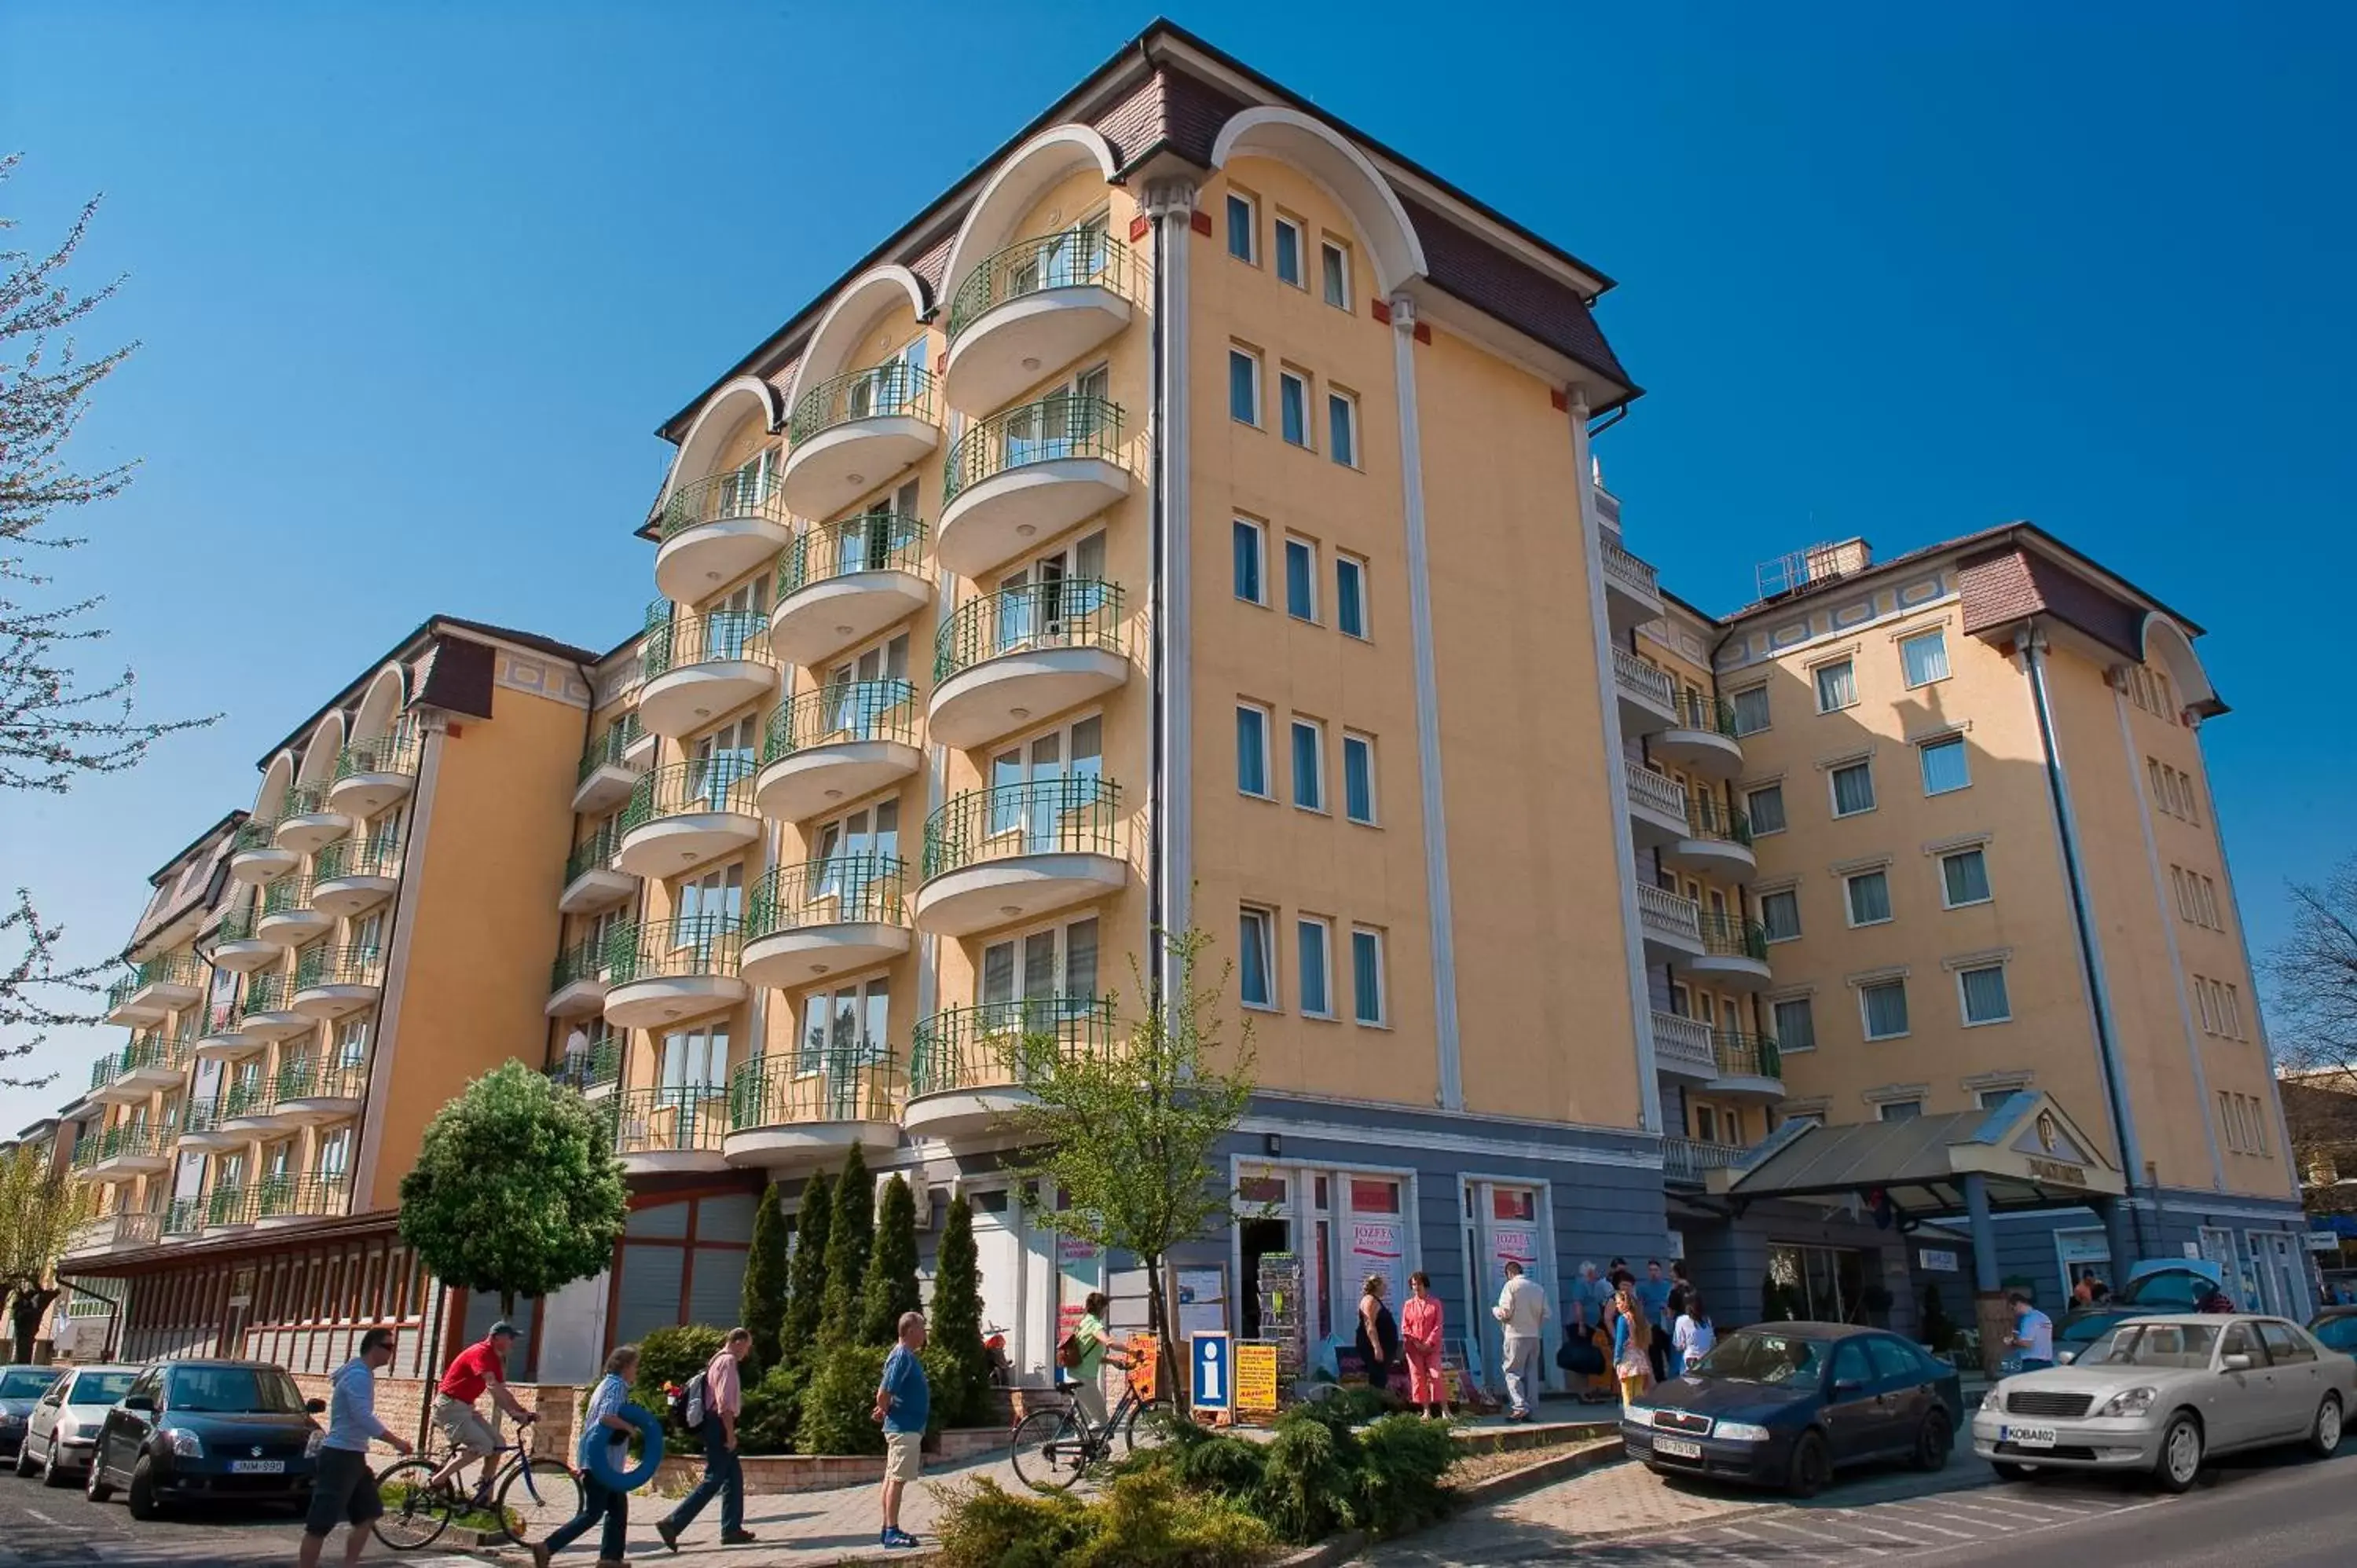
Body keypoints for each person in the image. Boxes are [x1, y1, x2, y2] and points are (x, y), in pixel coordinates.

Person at [299, 1327, 412, 1568]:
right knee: (319, 1525)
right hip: (340, 1456)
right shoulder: (358, 1376)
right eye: (388, 1347)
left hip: (354, 1456)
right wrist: (396, 1441)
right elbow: (363, 1417)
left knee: (369, 1512)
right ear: (374, 1347)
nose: (391, 1353)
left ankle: (350, 1564)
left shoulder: (360, 1372)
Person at [533, 1345, 640, 1568]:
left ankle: (611, 1559)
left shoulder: (604, 1385)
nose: (636, 1371)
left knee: (618, 1509)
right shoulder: (617, 1386)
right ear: (626, 1367)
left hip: (599, 1460)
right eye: (635, 1366)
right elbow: (607, 1417)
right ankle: (547, 1547)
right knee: (593, 1513)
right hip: (603, 1463)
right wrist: (630, 1429)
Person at [654, 1326, 757, 1552]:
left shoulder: (716, 1360)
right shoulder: (728, 1361)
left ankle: (731, 1529)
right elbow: (724, 1404)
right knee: (714, 1479)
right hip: (718, 1424)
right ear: (738, 1342)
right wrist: (730, 1434)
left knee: (734, 1477)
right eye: (747, 1347)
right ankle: (672, 1524)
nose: (746, 1353)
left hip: (713, 1424)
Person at [427, 1320, 536, 1497]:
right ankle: (438, 1480)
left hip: (465, 1407)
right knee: (483, 1444)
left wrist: (522, 1411)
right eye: (510, 1338)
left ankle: (483, 1496)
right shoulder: (481, 1353)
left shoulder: (495, 1359)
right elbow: (492, 1385)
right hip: (450, 1408)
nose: (512, 1342)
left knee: (499, 1443)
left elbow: (502, 1390)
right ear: (497, 1338)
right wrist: (512, 1413)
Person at [872, 1310, 929, 1552]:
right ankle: (892, 1532)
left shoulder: (904, 1356)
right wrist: (883, 1408)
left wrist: (883, 1409)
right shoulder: (902, 1356)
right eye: (923, 1329)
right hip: (904, 1428)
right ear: (910, 1331)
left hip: (905, 1426)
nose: (925, 1334)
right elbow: (884, 1392)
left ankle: (888, 1528)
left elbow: (888, 1395)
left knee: (891, 1478)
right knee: (897, 1480)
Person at [1065, 1291, 1131, 1437]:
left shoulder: (1083, 1322)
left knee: (1083, 1420)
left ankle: (1078, 1455)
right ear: (1100, 1307)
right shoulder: (1094, 1324)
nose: (1106, 1312)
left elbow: (1088, 1356)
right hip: (1084, 1380)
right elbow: (1109, 1342)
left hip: (1072, 1376)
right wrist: (1132, 1350)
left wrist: (1112, 1361)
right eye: (1105, 1308)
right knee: (1101, 1418)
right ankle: (1090, 1448)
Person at [1491, 1260, 1551, 1421]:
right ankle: (1531, 1408)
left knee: (1512, 1371)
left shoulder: (1510, 1286)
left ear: (1509, 1274)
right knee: (1532, 1373)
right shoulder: (1538, 1289)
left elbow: (1505, 1312)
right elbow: (1547, 1314)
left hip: (1515, 1335)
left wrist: (1495, 1311)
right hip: (1534, 1336)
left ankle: (1520, 1407)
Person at [1399, 1272, 1446, 1419]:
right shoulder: (1408, 1305)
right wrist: (1416, 1343)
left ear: (1425, 1284)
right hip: (1414, 1348)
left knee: (1436, 1375)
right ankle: (1426, 1411)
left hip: (1432, 1347)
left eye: (1418, 1284)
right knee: (1418, 1378)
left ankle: (1445, 1409)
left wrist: (1428, 1343)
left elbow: (1438, 1325)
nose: (1416, 1287)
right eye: (1413, 1284)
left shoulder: (1435, 1303)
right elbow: (1405, 1327)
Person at [1610, 1277, 1652, 1408]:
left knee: (1627, 1393)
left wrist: (1616, 1359)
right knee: (1638, 1392)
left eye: (1618, 1303)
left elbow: (1620, 1341)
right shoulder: (1639, 1318)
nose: (1617, 1306)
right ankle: (1639, 1416)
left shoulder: (1623, 1319)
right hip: (1639, 1358)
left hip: (1627, 1359)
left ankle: (1629, 1417)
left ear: (1624, 1303)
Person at [1356, 1274, 1401, 1396]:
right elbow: (1370, 1325)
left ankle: (1379, 1404)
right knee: (1377, 1378)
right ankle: (1377, 1406)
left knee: (1381, 1378)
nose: (1386, 1287)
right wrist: (1377, 1348)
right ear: (1376, 1286)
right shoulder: (1370, 1300)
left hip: (1383, 1346)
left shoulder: (1375, 1300)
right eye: (1383, 1285)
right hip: (1373, 1347)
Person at [1636, 1260, 1674, 1385]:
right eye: (1651, 1270)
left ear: (1660, 1272)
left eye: (1656, 1270)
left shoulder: (1667, 1286)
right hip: (1651, 1325)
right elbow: (1640, 1306)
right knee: (1655, 1355)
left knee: (1670, 1353)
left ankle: (1674, 1377)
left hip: (1666, 1325)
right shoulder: (1643, 1287)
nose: (1653, 1273)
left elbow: (1672, 1304)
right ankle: (1660, 1381)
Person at [2003, 1291, 2055, 1372]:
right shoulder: (2044, 1318)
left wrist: (2012, 1341)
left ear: (2019, 1304)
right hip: (2047, 1361)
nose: (2014, 1312)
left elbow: (2027, 1343)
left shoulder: (2028, 1319)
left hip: (2032, 1363)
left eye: (2013, 1309)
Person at [1671, 1290, 1715, 1375]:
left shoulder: (1681, 1320)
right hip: (1707, 1361)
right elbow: (1713, 1342)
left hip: (1690, 1361)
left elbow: (1679, 1345)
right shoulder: (1707, 1320)